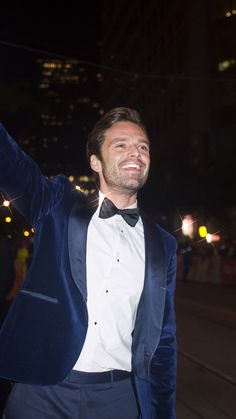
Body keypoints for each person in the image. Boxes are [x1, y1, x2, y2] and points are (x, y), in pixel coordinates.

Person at [0, 107, 177, 419]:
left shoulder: (164, 245)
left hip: (119, 398)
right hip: (43, 392)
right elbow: (11, 164)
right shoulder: (58, 204)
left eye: (142, 146)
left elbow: (163, 338)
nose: (134, 152)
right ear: (95, 161)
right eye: (120, 144)